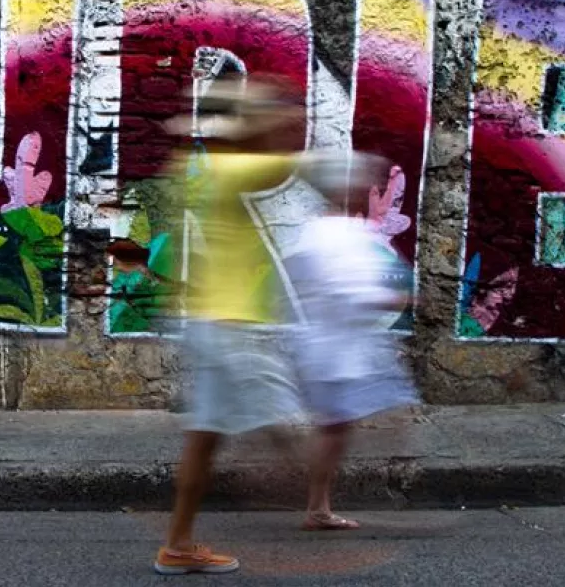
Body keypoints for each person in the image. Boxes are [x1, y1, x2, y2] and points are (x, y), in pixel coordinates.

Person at [141, 76, 308, 576]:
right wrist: (274, 115)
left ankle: (177, 545)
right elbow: (302, 162)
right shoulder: (234, 171)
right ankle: (337, 498)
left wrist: (241, 115)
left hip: (206, 321)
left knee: (205, 436)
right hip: (233, 329)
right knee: (287, 428)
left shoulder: (195, 168)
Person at [283, 151, 421, 531]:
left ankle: (318, 504)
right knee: (336, 428)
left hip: (328, 347)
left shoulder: (319, 231)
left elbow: (300, 279)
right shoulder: (343, 235)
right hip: (335, 352)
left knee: (335, 427)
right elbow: (351, 293)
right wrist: (394, 299)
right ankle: (313, 503)